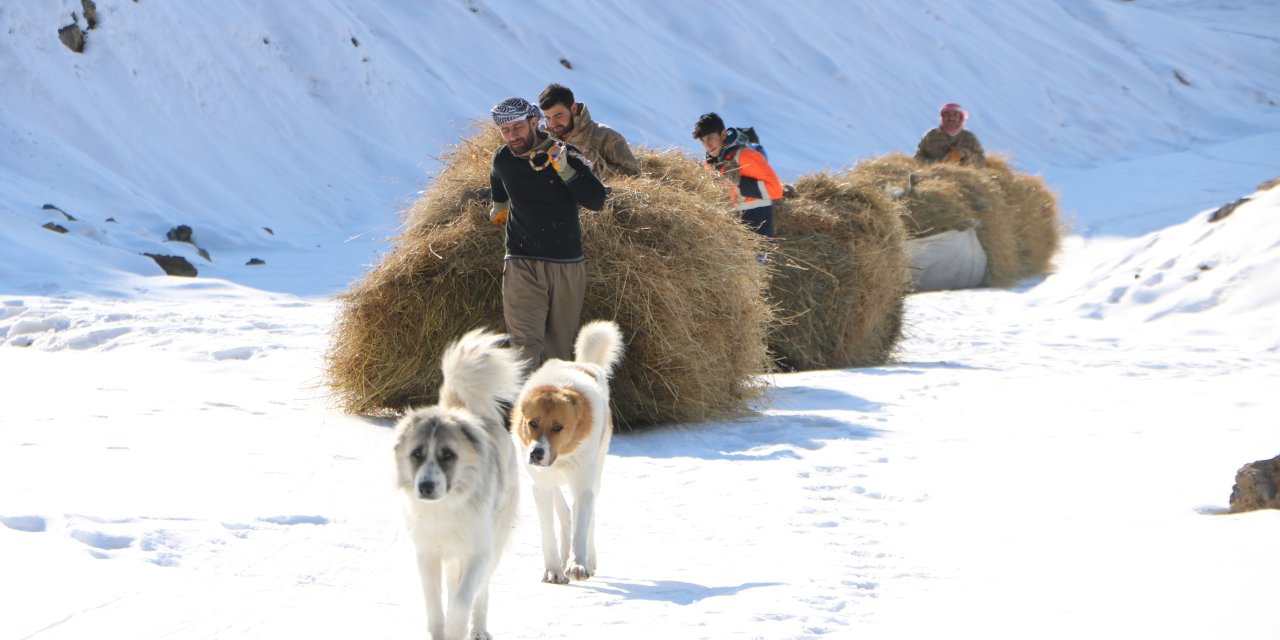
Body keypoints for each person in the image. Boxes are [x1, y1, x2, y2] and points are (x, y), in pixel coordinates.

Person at [488, 96, 607, 370]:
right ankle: (523, 412)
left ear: (533, 122)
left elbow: (596, 200)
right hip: (520, 262)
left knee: (558, 350)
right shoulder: (503, 157)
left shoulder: (566, 153)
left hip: (565, 264)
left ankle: (552, 409)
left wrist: (565, 171)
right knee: (523, 346)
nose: (512, 136)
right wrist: (499, 203)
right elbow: (496, 174)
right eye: (505, 131)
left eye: (517, 127)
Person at [692, 112, 784, 237]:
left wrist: (739, 183)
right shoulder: (710, 165)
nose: (707, 144)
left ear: (723, 134)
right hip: (734, 238)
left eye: (709, 138)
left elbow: (776, 190)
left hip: (759, 236)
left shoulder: (746, 156)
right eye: (703, 141)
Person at [538, 83, 640, 179]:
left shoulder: (605, 136)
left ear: (573, 108)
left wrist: (595, 165)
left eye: (558, 116)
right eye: (548, 117)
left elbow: (635, 175)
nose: (553, 123)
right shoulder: (544, 141)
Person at [914, 102, 987, 167]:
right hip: (933, 178)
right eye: (947, 114)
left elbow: (982, 162)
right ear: (942, 117)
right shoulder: (930, 135)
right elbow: (917, 158)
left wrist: (965, 154)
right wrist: (939, 163)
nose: (951, 117)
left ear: (961, 117)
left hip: (963, 179)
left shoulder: (969, 137)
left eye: (955, 114)